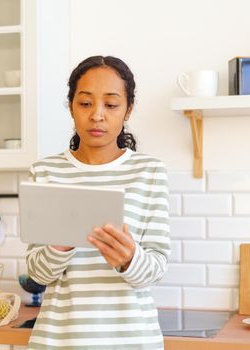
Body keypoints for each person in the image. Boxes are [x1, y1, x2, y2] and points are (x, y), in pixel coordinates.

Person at [25, 55, 171, 349]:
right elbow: (37, 273)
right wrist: (60, 244)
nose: (97, 115)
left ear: (128, 109)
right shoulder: (45, 172)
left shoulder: (150, 172)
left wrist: (129, 259)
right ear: (71, 107)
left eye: (111, 104)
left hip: (131, 340)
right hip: (58, 340)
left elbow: (156, 267)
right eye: (85, 103)